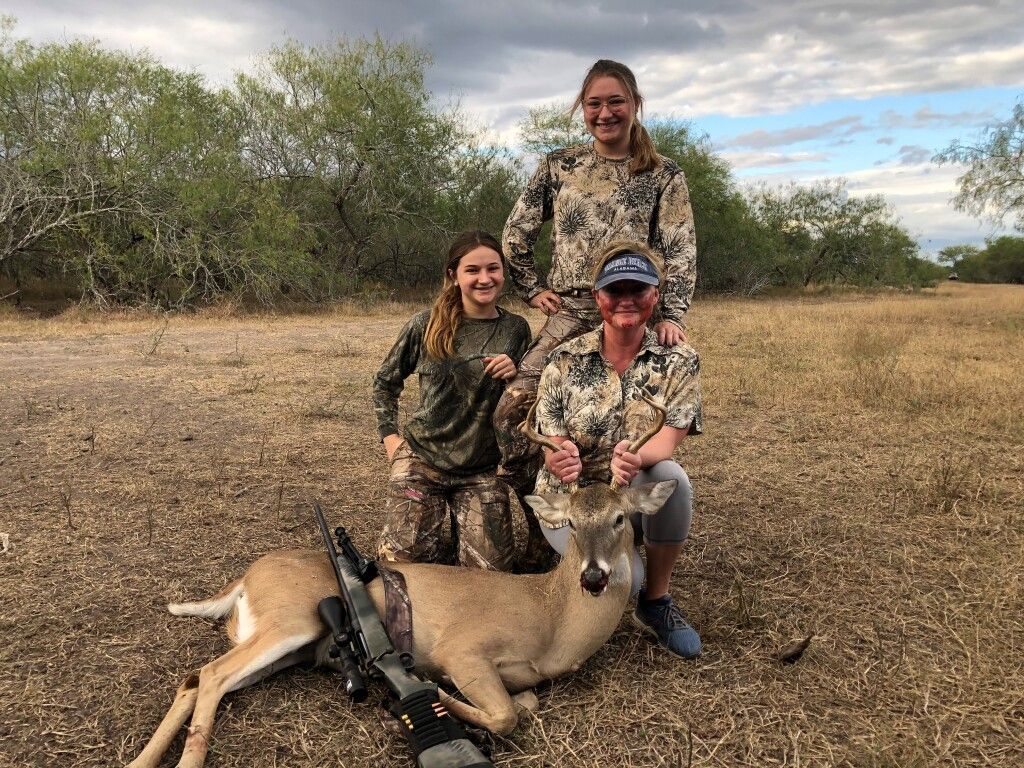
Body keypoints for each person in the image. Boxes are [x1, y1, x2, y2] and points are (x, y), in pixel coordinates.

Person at [494, 59, 698, 567]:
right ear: (581, 109)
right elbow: (515, 232)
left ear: (634, 105)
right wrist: (533, 287)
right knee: (513, 411)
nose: (605, 113)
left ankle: (625, 520)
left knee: (629, 421)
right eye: (594, 103)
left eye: (615, 102)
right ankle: (548, 525)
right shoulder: (558, 165)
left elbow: (680, 247)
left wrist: (670, 314)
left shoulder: (663, 174)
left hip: (634, 307)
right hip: (573, 309)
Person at [531, 241, 703, 658]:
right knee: (625, 580)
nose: (626, 300)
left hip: (626, 493)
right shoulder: (564, 359)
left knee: (672, 479)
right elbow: (548, 437)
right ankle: (628, 580)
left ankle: (656, 602)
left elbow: (672, 434)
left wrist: (639, 457)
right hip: (573, 502)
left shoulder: (678, 359)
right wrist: (555, 456)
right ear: (598, 298)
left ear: (655, 297)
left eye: (638, 290)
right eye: (615, 291)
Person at [372, 230, 532, 571]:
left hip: (482, 469)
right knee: (401, 569)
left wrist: (515, 371)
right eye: (472, 270)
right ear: (453, 275)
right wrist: (391, 439)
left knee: (489, 577)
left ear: (504, 272)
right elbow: (385, 382)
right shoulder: (423, 325)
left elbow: (524, 396)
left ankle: (457, 534)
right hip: (422, 460)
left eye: (493, 268)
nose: (484, 278)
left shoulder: (516, 329)